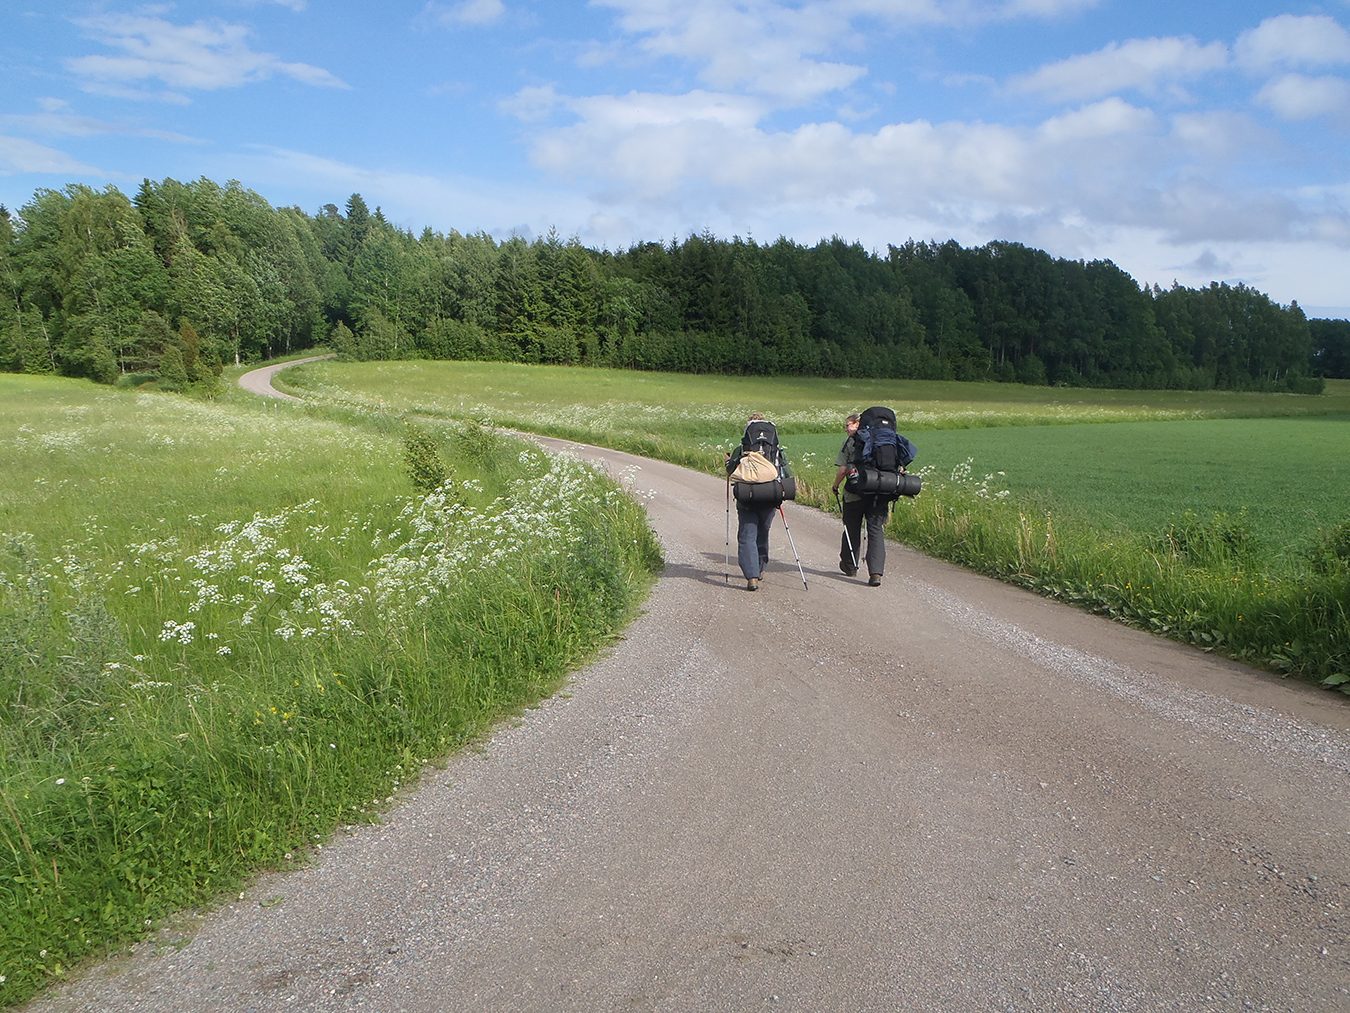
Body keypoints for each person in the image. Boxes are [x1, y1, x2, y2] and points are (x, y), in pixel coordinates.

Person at [725, 413, 792, 591]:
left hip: (747, 498)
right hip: (770, 497)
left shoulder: (741, 449)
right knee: (763, 532)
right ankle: (761, 568)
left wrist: (728, 463)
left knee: (747, 535)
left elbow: (731, 471)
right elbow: (787, 474)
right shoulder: (776, 450)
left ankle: (752, 576)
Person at [832, 412, 889, 586]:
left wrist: (835, 486)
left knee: (851, 527)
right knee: (876, 530)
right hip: (880, 491)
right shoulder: (884, 439)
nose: (846, 429)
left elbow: (843, 469)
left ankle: (850, 566)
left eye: (848, 425)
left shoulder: (852, 441)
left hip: (854, 492)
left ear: (858, 424)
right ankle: (876, 574)